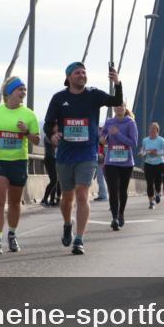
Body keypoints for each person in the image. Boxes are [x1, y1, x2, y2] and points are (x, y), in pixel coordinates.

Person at [44, 61, 124, 255]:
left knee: (82, 194)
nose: (82, 75)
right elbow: (48, 123)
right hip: (64, 155)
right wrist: (52, 134)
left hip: (87, 154)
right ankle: (66, 223)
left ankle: (79, 239)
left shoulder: (94, 95)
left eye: (84, 72)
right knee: (66, 198)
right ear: (69, 77)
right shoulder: (59, 98)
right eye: (77, 73)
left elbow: (116, 102)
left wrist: (118, 83)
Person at [0, 77, 40, 254]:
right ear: (9, 93)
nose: (23, 92)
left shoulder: (29, 114)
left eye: (25, 90)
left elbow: (36, 140)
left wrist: (26, 132)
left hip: (19, 162)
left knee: (14, 202)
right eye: (20, 89)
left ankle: (12, 235)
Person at [101, 103, 138, 229]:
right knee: (113, 189)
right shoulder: (109, 122)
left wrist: (117, 134)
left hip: (126, 163)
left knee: (122, 190)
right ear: (113, 108)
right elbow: (103, 136)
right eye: (116, 106)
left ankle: (121, 213)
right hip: (111, 161)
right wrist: (102, 139)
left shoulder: (130, 123)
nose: (118, 108)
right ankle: (114, 218)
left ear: (124, 108)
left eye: (121, 106)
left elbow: (133, 143)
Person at [141, 122, 164, 208]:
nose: (152, 130)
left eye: (154, 129)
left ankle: (158, 193)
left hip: (159, 163)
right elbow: (143, 151)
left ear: (157, 131)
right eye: (150, 128)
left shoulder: (161, 140)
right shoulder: (145, 140)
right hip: (148, 163)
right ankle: (151, 202)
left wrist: (156, 153)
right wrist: (142, 153)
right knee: (149, 184)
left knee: (158, 183)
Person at [40, 134, 60, 207]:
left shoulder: (56, 135)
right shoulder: (48, 136)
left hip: (54, 159)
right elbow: (55, 143)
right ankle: (44, 199)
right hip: (49, 158)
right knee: (54, 180)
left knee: (56, 180)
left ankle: (52, 200)